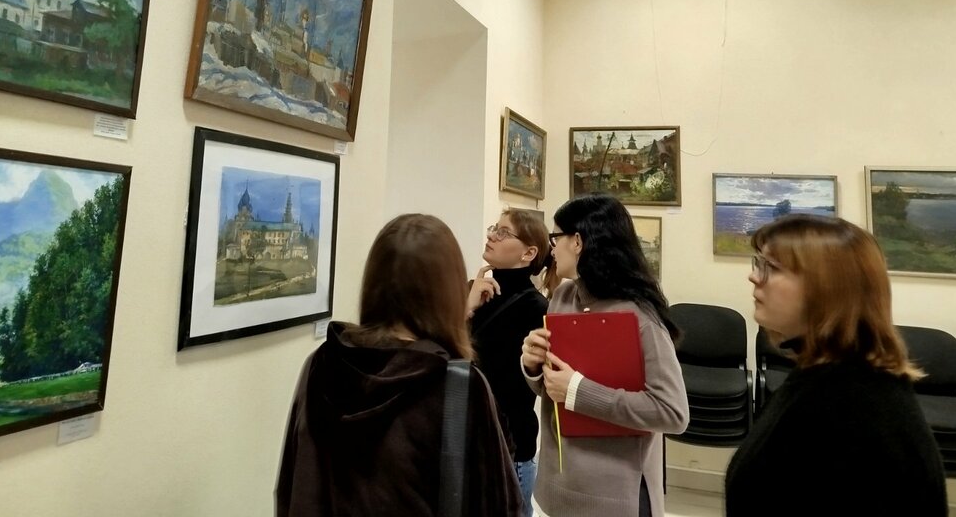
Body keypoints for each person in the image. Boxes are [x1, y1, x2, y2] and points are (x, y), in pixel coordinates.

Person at [276, 213, 522, 516]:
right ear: (448, 290)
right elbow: (498, 504)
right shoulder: (458, 387)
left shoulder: (322, 364)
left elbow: (291, 486)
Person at [725, 213, 947, 516]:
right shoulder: (826, 377)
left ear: (829, 289)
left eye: (771, 267)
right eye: (758, 262)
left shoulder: (852, 405)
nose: (753, 277)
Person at [521, 193, 688, 517]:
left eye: (556, 237)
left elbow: (672, 412)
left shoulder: (640, 316)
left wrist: (578, 391)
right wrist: (533, 365)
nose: (551, 248)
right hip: (556, 489)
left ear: (578, 242)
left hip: (614, 497)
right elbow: (554, 390)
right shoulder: (563, 296)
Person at [468, 209, 558, 515]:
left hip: (509, 448)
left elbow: (514, 385)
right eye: (495, 228)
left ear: (528, 253)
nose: (492, 235)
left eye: (503, 232)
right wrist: (466, 308)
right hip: (470, 440)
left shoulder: (536, 308)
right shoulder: (478, 292)